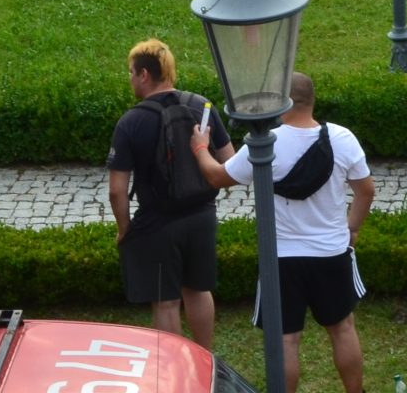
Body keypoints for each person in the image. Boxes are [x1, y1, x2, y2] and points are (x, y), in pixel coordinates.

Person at [187, 71, 374, 393]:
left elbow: (217, 177)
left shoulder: (264, 144)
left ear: (281, 103)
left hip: (282, 259)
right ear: (312, 100)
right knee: (343, 329)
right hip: (331, 252)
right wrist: (352, 229)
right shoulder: (343, 138)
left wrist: (201, 147)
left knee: (287, 340)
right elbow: (366, 190)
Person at [104, 38, 234, 346]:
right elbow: (230, 161)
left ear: (145, 75)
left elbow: (116, 190)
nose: (131, 78)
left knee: (166, 301)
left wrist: (125, 229)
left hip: (157, 222)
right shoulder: (202, 107)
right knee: (199, 291)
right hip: (202, 216)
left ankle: (175, 373)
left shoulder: (131, 121)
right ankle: (205, 362)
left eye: (131, 72)